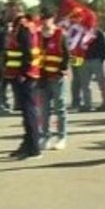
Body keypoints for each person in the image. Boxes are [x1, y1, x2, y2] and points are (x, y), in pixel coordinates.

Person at [2, 10, 43, 159]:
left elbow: (28, 52)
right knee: (26, 113)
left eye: (7, 10)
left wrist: (23, 73)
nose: (4, 14)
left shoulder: (23, 27)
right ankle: (27, 144)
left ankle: (34, 147)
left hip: (25, 76)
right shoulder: (19, 26)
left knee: (29, 112)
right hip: (21, 75)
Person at [36, 11, 70, 150]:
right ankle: (45, 136)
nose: (45, 21)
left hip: (57, 77)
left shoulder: (60, 34)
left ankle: (61, 137)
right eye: (42, 18)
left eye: (47, 19)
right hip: (42, 78)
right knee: (44, 110)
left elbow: (66, 55)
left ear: (52, 19)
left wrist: (61, 70)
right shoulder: (37, 36)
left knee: (60, 108)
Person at [72, 24, 105, 112]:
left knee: (101, 83)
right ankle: (87, 104)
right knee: (85, 84)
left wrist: (101, 59)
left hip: (96, 60)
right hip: (83, 61)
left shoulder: (97, 32)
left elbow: (103, 46)